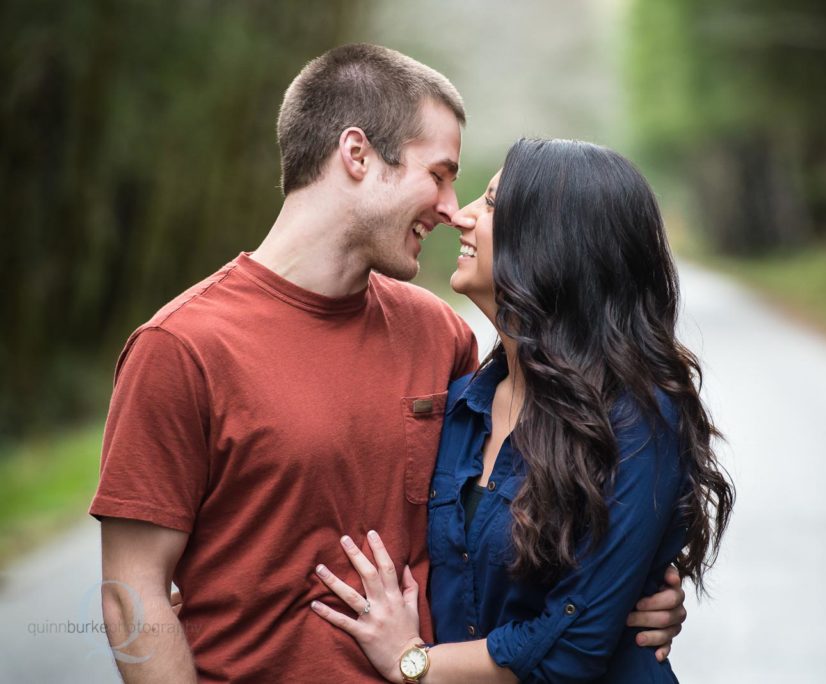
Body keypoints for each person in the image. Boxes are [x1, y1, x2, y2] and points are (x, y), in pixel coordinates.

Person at [90, 45, 686, 683]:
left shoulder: (439, 336)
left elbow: (523, 528)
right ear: (357, 155)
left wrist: (630, 591)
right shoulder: (181, 348)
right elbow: (133, 596)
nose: (450, 207)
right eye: (439, 174)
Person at [309, 138, 735, 682]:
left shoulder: (638, 419)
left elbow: (571, 649)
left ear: (552, 243)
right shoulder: (465, 402)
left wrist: (412, 662)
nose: (461, 216)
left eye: (489, 203)